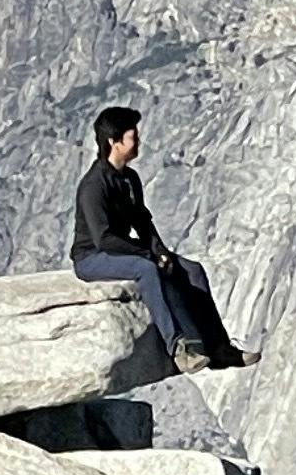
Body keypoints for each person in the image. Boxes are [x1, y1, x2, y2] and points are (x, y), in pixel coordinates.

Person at [70, 106, 245, 370]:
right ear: (113, 142)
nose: (138, 141)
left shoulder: (129, 179)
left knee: (191, 271)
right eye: (132, 137)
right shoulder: (95, 185)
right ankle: (177, 348)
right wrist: (147, 255)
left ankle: (218, 347)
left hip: (120, 248)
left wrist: (160, 249)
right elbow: (103, 239)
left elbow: (142, 221)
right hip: (92, 257)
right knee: (147, 269)